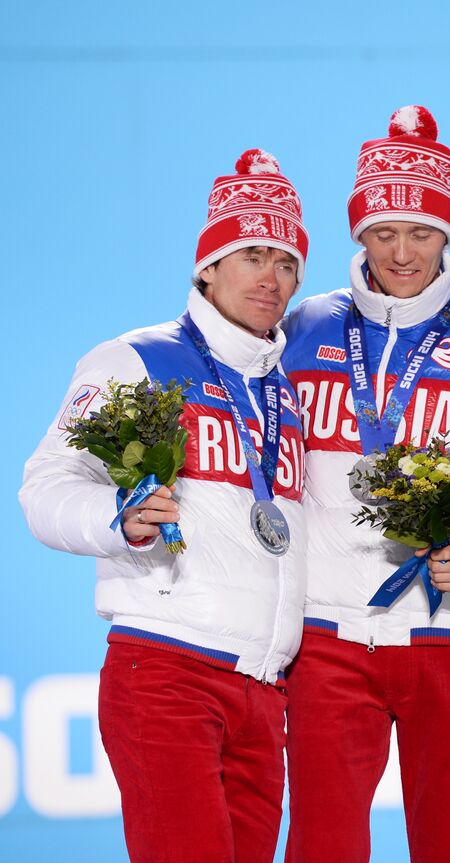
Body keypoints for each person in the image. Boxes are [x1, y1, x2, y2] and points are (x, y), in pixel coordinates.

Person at [19, 149, 310, 863]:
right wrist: (114, 518)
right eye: (251, 255)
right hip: (168, 671)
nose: (271, 278)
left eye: (287, 261)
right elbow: (44, 486)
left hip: (263, 688)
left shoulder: (288, 390)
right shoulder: (134, 360)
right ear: (207, 265)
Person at [279, 106, 450, 863]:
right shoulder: (299, 328)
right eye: (382, 232)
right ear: (359, 235)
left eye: (421, 232)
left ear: (447, 234)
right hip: (328, 635)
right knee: (321, 845)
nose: (401, 251)